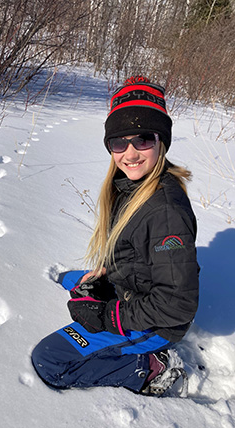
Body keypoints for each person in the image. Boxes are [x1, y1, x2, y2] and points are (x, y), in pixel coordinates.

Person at [31, 76, 199, 396]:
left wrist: (108, 316)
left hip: (155, 322)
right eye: (119, 141)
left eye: (143, 139)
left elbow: (177, 306)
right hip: (131, 290)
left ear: (161, 140)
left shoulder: (166, 212)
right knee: (71, 281)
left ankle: (149, 367)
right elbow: (140, 252)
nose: (130, 153)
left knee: (49, 360)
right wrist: (107, 275)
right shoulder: (131, 186)